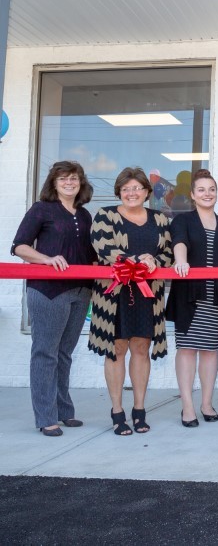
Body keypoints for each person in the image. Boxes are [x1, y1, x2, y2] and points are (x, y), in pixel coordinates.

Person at [12, 161, 97, 437]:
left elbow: (89, 253)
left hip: (80, 291)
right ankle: (46, 417)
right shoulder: (41, 210)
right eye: (63, 179)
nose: (69, 183)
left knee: (64, 353)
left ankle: (64, 411)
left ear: (81, 183)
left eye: (74, 178)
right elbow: (20, 247)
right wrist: (46, 259)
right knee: (45, 353)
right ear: (54, 182)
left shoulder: (84, 215)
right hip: (47, 290)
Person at [89, 167, 173, 435]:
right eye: (126, 189)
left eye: (137, 188)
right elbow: (103, 248)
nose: (132, 193)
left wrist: (154, 260)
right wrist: (135, 260)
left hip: (148, 294)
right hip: (114, 294)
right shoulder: (105, 215)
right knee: (117, 349)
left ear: (147, 192)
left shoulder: (160, 219)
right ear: (119, 192)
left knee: (141, 348)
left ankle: (139, 410)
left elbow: (168, 255)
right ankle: (117, 411)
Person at [166, 169, 218, 427]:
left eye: (211, 189)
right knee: (187, 349)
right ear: (192, 195)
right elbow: (179, 242)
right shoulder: (182, 221)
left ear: (217, 193)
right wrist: (181, 262)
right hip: (189, 297)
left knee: (210, 350)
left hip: (217, 298)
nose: (207, 194)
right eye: (202, 190)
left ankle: (207, 403)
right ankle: (187, 406)